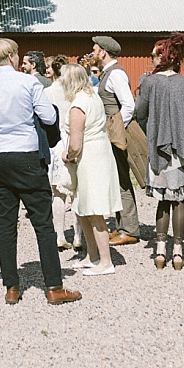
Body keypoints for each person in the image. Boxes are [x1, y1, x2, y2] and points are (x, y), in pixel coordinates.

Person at [0, 38, 81, 306]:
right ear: (11, 57)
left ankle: (11, 286)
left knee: (7, 225)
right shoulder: (27, 83)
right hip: (27, 155)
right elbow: (49, 117)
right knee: (42, 223)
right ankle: (54, 286)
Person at [134, 33, 184, 271]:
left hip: (159, 148)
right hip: (181, 147)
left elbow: (139, 112)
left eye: (153, 54)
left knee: (162, 200)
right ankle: (179, 252)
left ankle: (160, 251)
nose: (151, 59)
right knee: (179, 199)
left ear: (163, 57)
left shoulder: (149, 82)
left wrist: (142, 90)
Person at [59, 63, 121, 276]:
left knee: (94, 210)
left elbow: (75, 144)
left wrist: (66, 155)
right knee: (82, 207)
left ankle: (105, 261)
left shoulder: (78, 105)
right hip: (99, 153)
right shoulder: (92, 96)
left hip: (90, 158)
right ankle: (91, 255)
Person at [91, 36, 142, 247]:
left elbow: (128, 105)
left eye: (94, 49)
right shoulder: (107, 74)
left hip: (117, 133)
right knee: (116, 178)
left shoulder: (117, 74)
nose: (92, 52)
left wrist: (117, 129)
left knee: (122, 179)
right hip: (111, 132)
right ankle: (123, 226)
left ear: (103, 52)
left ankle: (129, 229)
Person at [46, 55, 80, 250]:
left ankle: (59, 235)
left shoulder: (48, 92)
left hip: (57, 142)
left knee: (58, 192)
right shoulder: (75, 92)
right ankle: (78, 235)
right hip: (74, 139)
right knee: (76, 192)